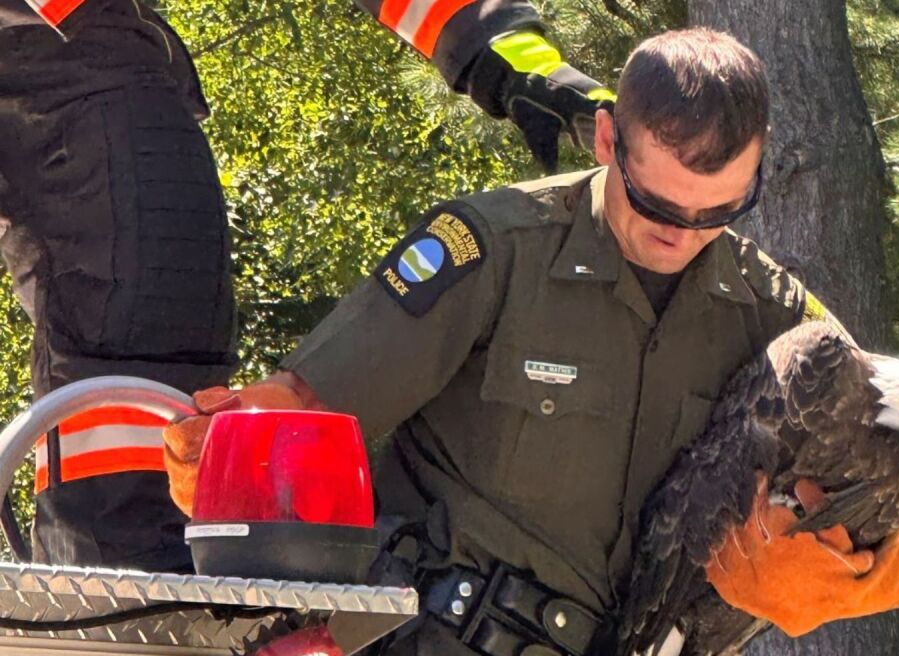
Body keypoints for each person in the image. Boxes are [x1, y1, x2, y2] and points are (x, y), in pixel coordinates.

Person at [164, 29, 899, 656]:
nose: (684, 234)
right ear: (606, 139)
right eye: (658, 204)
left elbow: (896, 524)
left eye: (717, 214)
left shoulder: (779, 321)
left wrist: (837, 560)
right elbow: (296, 414)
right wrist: (217, 450)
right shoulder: (494, 251)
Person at [0, 0, 612, 569]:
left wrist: (512, 58)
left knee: (145, 379)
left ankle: (120, 642)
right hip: (80, 68)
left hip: (78, 62)